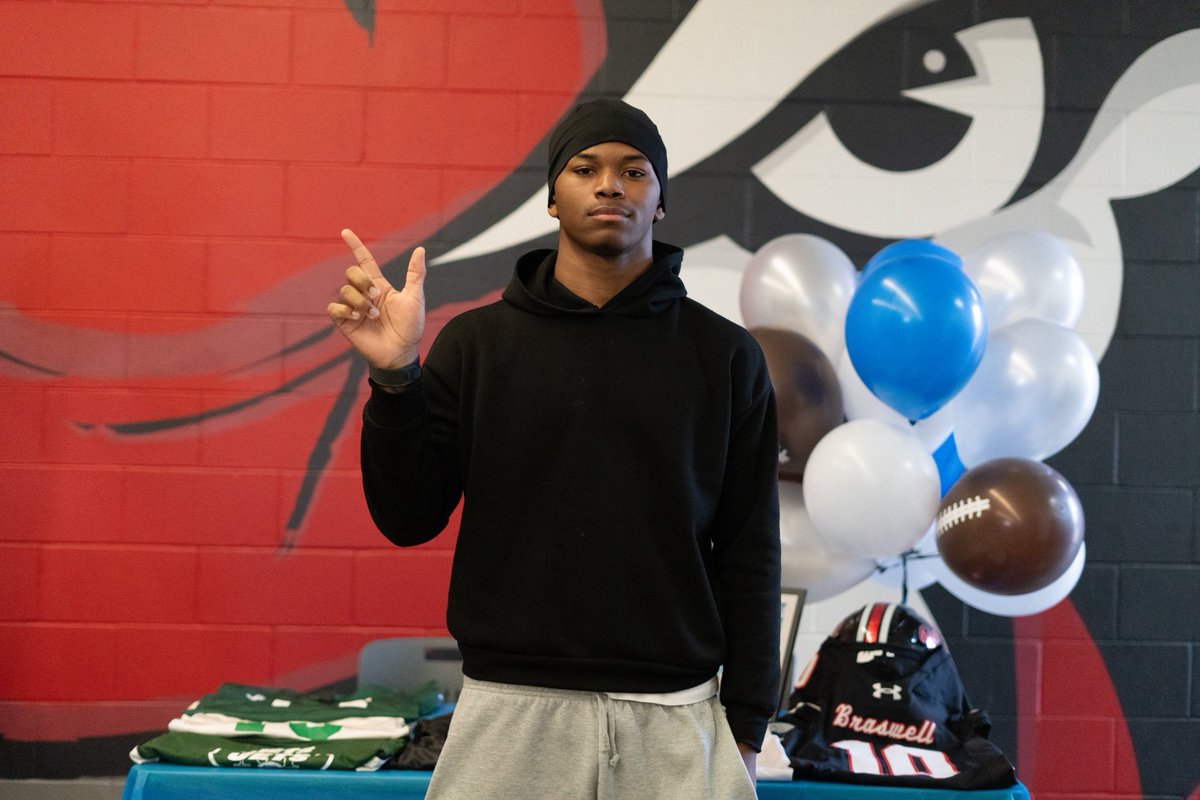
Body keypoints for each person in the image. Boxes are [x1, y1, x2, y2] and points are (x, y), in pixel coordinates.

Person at [327, 98, 781, 799]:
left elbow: (750, 550)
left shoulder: (723, 357)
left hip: (676, 714)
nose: (610, 185)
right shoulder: (479, 346)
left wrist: (748, 727)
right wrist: (395, 377)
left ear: (659, 201)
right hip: (509, 708)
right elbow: (406, 517)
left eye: (634, 171)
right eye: (585, 167)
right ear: (552, 199)